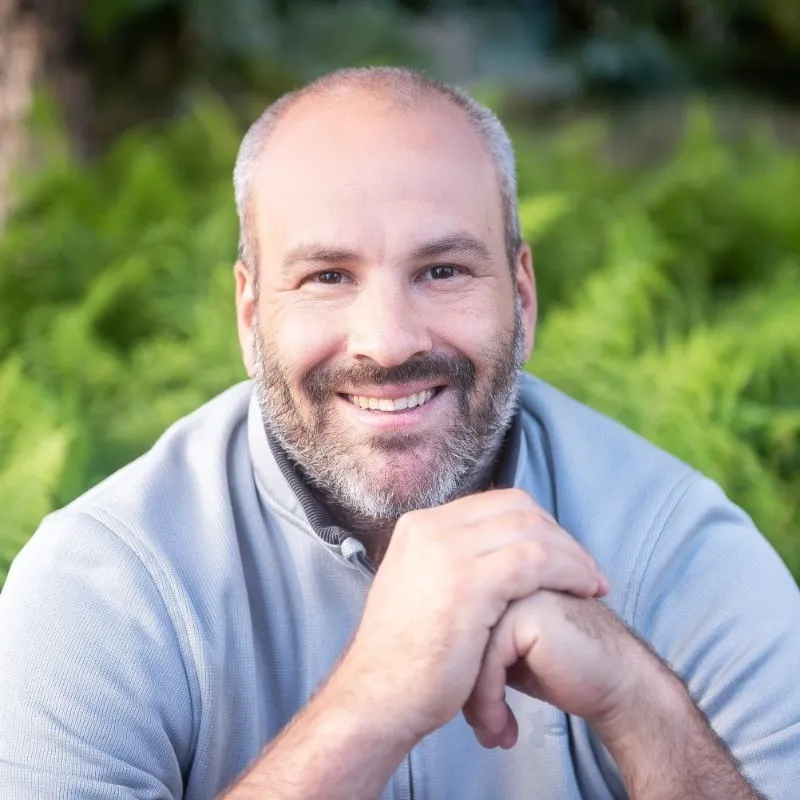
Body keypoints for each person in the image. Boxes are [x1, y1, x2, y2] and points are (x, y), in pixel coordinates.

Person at [0, 66, 798, 800]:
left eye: (442, 271)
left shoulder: (679, 551)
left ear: (523, 299)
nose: (387, 342)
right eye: (327, 277)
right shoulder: (106, 586)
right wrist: (367, 706)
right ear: (249, 317)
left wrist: (639, 704)